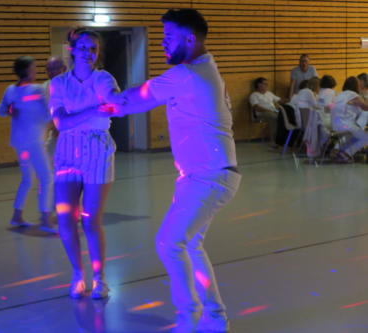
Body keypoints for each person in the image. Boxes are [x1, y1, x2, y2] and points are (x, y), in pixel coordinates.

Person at [102, 9, 240, 333]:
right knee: (190, 244)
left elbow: (133, 100)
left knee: (169, 243)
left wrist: (102, 99)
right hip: (204, 175)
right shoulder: (203, 69)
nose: (163, 44)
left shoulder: (189, 74)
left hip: (209, 177)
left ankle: (187, 318)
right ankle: (215, 318)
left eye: (168, 37)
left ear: (190, 38)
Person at [49, 28, 123, 299]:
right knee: (66, 218)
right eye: (83, 47)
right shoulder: (59, 84)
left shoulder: (104, 78)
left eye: (93, 49)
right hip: (67, 150)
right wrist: (94, 110)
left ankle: (100, 278)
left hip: (97, 149)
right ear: (72, 49)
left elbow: (112, 97)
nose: (88, 53)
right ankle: (78, 273)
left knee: (91, 220)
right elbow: (60, 123)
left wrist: (117, 101)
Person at [0, 56, 56, 233]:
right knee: (46, 178)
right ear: (26, 70)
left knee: (27, 179)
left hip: (19, 142)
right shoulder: (37, 90)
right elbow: (47, 116)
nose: (36, 71)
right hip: (34, 142)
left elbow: (1, 110)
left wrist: (10, 110)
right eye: (33, 68)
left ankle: (17, 215)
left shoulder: (10, 90)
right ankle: (45, 220)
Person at [331, 76, 368, 162]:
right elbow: (366, 107)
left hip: (336, 125)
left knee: (356, 133)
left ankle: (337, 150)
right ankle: (346, 153)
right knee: (366, 137)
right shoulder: (353, 95)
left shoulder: (340, 94)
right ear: (356, 86)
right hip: (345, 125)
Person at [43, 56, 68, 156]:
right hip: (54, 135)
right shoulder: (45, 87)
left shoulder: (74, 85)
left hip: (73, 136)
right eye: (48, 70)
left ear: (64, 69)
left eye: (54, 69)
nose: (51, 72)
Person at [249, 77, 281, 146]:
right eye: (265, 84)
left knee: (283, 115)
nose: (267, 85)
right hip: (261, 113)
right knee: (273, 117)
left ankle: (282, 138)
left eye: (267, 84)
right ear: (259, 85)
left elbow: (280, 100)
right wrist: (269, 110)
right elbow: (256, 108)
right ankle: (274, 140)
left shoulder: (269, 93)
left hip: (273, 111)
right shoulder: (254, 95)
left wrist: (291, 99)